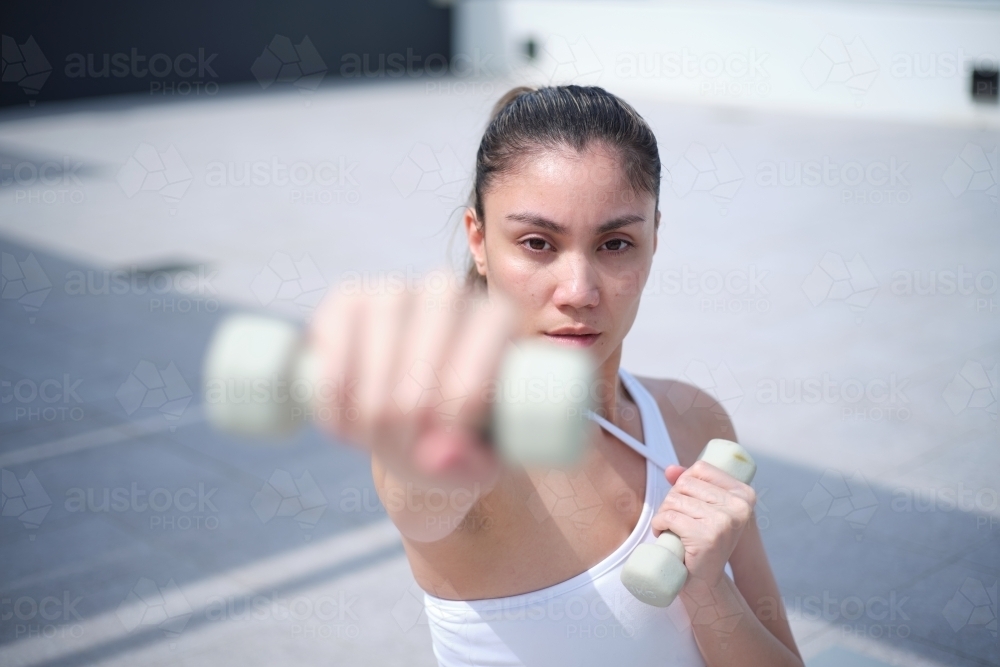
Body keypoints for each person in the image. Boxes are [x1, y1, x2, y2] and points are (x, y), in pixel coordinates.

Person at [310, 85, 803, 666]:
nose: (578, 292)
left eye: (615, 243)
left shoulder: (694, 419)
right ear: (479, 240)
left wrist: (707, 587)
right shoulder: (467, 450)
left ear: (653, 241)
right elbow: (423, 489)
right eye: (538, 243)